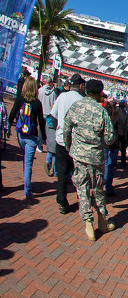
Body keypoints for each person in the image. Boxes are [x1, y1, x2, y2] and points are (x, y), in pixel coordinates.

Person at [62, 79, 117, 241]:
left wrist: (69, 146)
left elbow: (66, 129)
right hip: (95, 156)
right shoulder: (101, 112)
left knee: (82, 188)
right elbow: (109, 139)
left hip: (78, 155)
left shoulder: (76, 106)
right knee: (98, 189)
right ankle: (101, 220)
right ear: (99, 93)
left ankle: (87, 222)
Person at [50, 73, 86, 213]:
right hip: (75, 142)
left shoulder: (62, 96)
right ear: (81, 86)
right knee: (77, 172)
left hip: (61, 140)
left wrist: (58, 128)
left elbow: (53, 116)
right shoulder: (81, 100)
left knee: (62, 173)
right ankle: (81, 198)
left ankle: (62, 201)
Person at [9, 76, 47, 199]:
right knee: (28, 162)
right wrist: (44, 137)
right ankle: (27, 189)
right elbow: (41, 121)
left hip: (20, 134)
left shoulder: (20, 99)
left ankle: (26, 184)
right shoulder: (37, 103)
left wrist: (8, 127)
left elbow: (12, 113)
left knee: (25, 160)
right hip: (32, 136)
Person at [38, 76, 58, 177]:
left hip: (41, 113)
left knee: (41, 131)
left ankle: (40, 145)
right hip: (50, 115)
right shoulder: (53, 93)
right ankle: (54, 169)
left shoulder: (40, 91)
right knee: (53, 144)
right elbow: (54, 104)